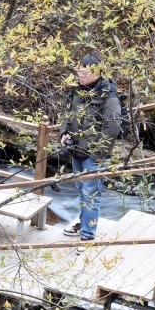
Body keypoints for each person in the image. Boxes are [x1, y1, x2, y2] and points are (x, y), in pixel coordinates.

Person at [59, 53, 122, 247]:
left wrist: (98, 154)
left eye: (84, 72)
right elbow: (68, 114)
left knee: (91, 194)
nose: (80, 75)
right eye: (78, 71)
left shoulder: (108, 94)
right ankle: (83, 222)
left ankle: (88, 234)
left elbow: (112, 127)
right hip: (76, 149)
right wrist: (64, 133)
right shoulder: (77, 91)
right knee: (81, 190)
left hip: (93, 155)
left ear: (96, 72)